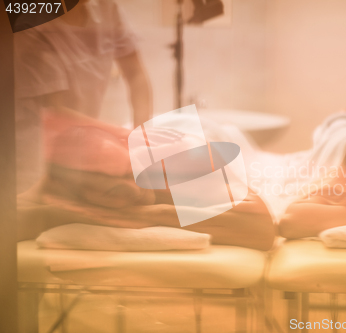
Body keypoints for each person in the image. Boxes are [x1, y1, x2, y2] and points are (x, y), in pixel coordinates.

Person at [17, 114, 276, 251]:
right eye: (113, 192)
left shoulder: (173, 163)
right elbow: (14, 216)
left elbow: (262, 227)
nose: (135, 190)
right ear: (76, 196)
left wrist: (152, 215)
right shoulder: (60, 185)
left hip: (202, 138)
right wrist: (57, 213)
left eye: (130, 173)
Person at [14, 0, 152, 193]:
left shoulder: (106, 8)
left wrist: (141, 134)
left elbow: (136, 75)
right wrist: (126, 139)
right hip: (34, 153)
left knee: (143, 192)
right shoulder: (29, 18)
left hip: (80, 143)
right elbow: (56, 114)